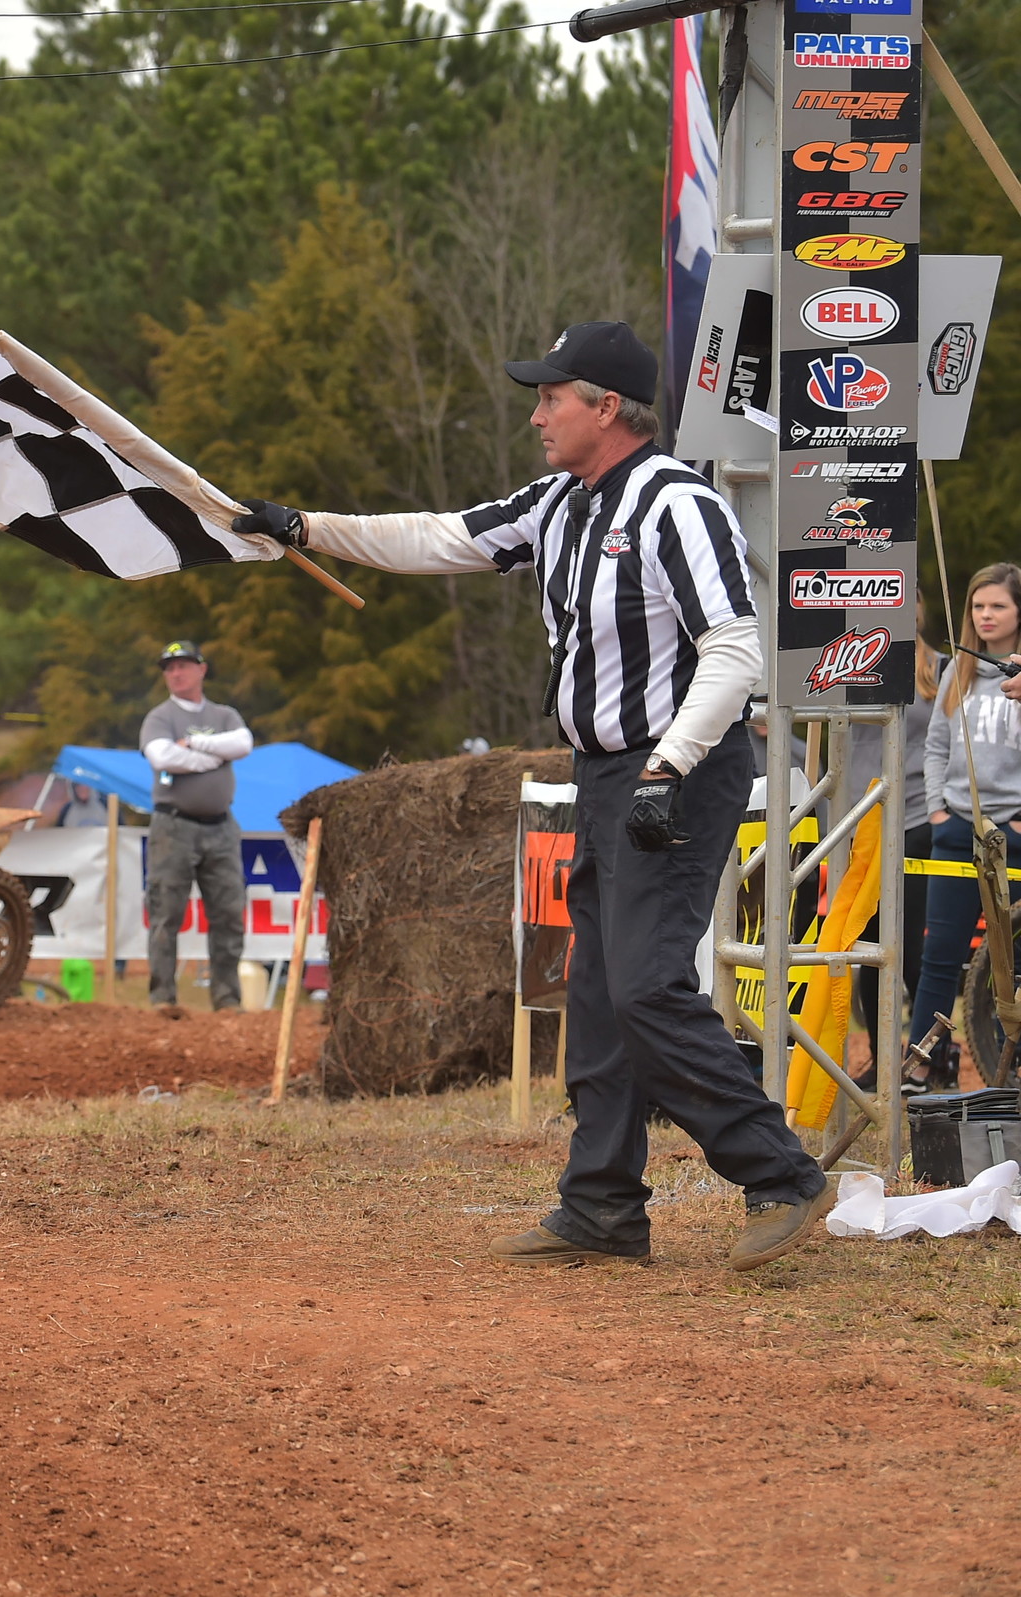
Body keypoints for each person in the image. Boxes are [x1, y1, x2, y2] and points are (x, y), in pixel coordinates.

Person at [227, 319, 825, 1272]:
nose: (538, 415)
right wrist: (304, 527)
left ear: (608, 407)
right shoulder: (555, 503)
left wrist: (668, 767)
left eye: (552, 398)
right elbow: (436, 536)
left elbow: (735, 649)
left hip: (679, 766)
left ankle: (780, 1173)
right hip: (603, 769)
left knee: (644, 986)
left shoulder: (679, 504)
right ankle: (601, 1206)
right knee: (597, 991)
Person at [910, 567, 1021, 1077]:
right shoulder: (959, 669)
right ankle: (923, 1068)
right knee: (939, 956)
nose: (985, 616)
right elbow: (936, 745)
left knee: (1010, 965)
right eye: (978, 606)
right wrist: (939, 811)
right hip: (956, 829)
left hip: (1014, 834)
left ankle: (1007, 1073)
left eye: (998, 606)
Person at [138, 641, 252, 1018]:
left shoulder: (224, 714)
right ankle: (163, 998)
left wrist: (195, 744)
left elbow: (243, 743)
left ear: (201, 670)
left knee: (228, 913)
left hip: (221, 826)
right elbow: (161, 755)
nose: (175, 673)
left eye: (183, 666)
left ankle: (227, 999)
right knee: (166, 912)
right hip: (174, 826)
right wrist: (212, 759)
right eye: (169, 668)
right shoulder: (159, 717)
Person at [846, 643, 937, 1084]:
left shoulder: (939, 668)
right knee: (868, 945)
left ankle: (926, 1060)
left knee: (912, 949)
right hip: (860, 818)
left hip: (918, 815)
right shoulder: (844, 659)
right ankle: (882, 1061)